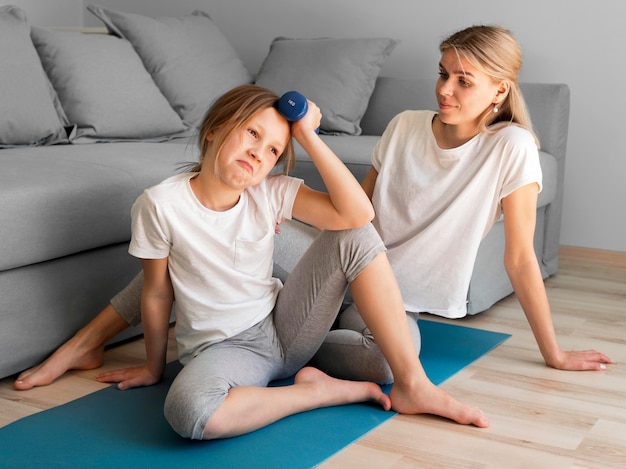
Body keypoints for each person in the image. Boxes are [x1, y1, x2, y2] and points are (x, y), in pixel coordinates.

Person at [15, 24, 611, 406]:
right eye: (443, 73)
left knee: (391, 352)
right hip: (333, 254)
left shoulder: (512, 148)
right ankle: (84, 343)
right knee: (194, 225)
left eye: (464, 80)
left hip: (378, 286)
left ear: (500, 91)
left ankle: (314, 371)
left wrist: (553, 352)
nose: (445, 90)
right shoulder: (405, 126)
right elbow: (360, 214)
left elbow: (518, 258)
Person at [16, 83, 487, 439]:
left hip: (285, 326)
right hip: (227, 351)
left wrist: (308, 135)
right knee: (188, 413)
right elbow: (158, 290)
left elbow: (358, 215)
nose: (258, 155)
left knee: (377, 305)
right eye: (251, 135)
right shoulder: (160, 205)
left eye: (273, 151)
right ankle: (314, 391)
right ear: (217, 128)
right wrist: (155, 366)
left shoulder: (271, 192)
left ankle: (412, 383)